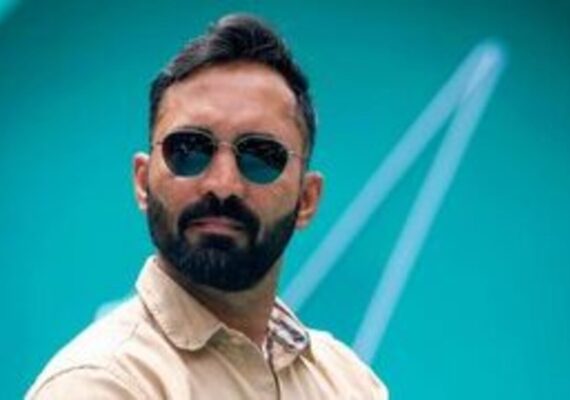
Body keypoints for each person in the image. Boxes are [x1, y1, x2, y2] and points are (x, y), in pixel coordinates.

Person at [26, 13, 388, 399]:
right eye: (189, 150)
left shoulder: (350, 382)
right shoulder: (100, 384)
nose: (223, 184)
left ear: (307, 199)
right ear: (143, 181)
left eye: (260, 156)